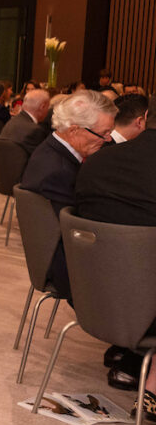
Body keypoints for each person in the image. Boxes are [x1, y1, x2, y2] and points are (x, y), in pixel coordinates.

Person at [75, 96, 156, 401]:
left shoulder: (97, 161)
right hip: (147, 306)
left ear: (146, 117)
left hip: (91, 293)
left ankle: (133, 357)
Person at [20, 90, 117, 304]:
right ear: (74, 130)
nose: (109, 139)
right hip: (68, 268)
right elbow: (77, 233)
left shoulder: (52, 150)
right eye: (105, 132)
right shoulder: (58, 171)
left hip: (61, 252)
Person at [0, 88, 51, 156]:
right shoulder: (35, 130)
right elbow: (41, 158)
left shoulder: (12, 121)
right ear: (42, 107)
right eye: (48, 107)